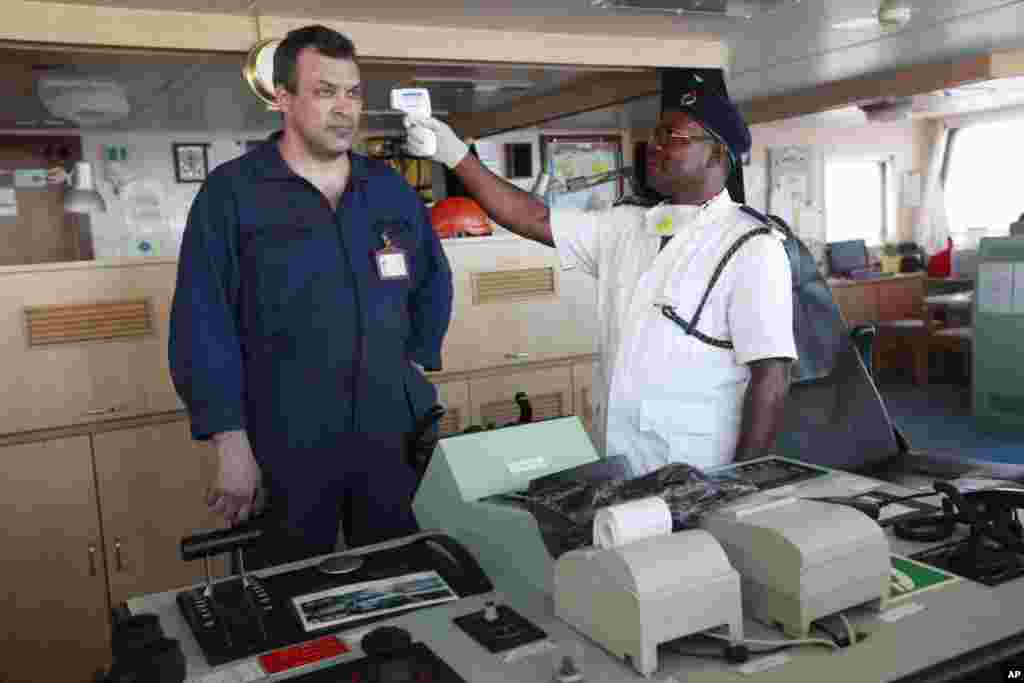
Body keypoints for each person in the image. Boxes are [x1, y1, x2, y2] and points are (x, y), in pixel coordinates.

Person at [169, 25, 453, 567]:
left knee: (403, 575)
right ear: (283, 98)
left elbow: (433, 282)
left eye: (352, 93)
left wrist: (415, 367)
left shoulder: (388, 189)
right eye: (325, 92)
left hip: (387, 431)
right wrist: (231, 444)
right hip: (284, 434)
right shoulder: (233, 194)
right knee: (283, 590)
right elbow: (202, 323)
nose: (344, 109)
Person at [404, 84, 795, 475]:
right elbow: (534, 218)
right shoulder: (626, 225)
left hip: (700, 468)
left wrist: (743, 480)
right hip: (620, 458)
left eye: (670, 137)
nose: (654, 147)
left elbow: (771, 377)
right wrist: (455, 155)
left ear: (716, 153)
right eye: (654, 135)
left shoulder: (750, 246)